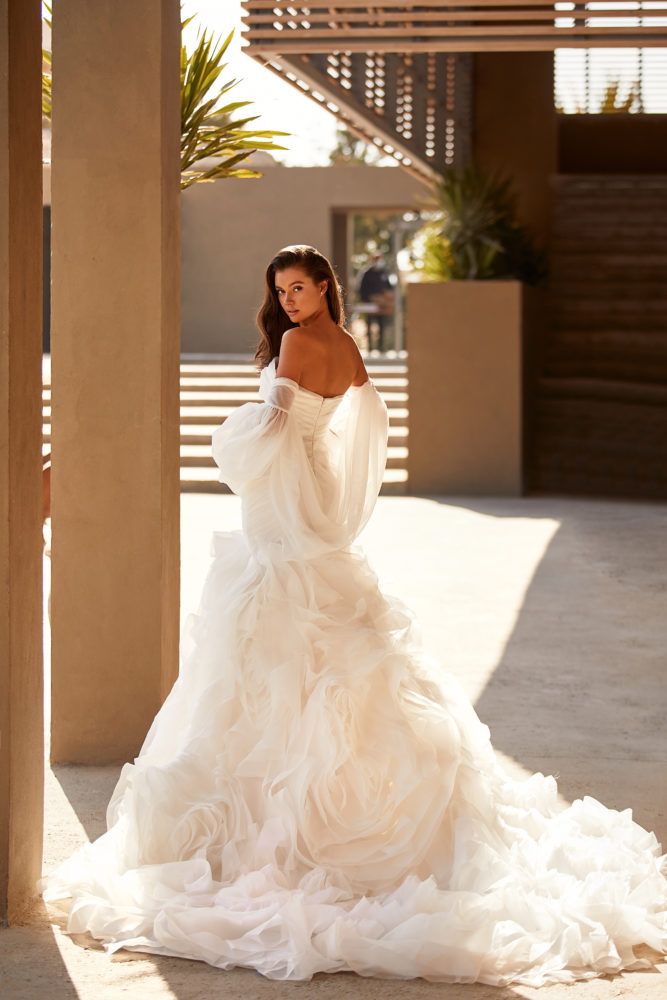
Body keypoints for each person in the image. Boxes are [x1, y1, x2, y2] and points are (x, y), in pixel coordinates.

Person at [39, 244, 667, 987]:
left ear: (325, 286)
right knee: (309, 634)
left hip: (282, 504)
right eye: (281, 291)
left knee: (268, 632)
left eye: (299, 288)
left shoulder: (302, 344)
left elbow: (270, 435)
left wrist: (232, 439)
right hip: (309, 497)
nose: (291, 302)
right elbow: (354, 424)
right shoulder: (346, 349)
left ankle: (296, 826)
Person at [356, 251, 395, 351]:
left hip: (381, 305)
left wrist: (386, 297)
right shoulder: (366, 274)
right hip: (370, 304)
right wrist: (370, 298)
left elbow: (389, 288)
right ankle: (370, 348)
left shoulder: (384, 273)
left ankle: (381, 348)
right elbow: (361, 289)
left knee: (381, 325)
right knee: (369, 325)